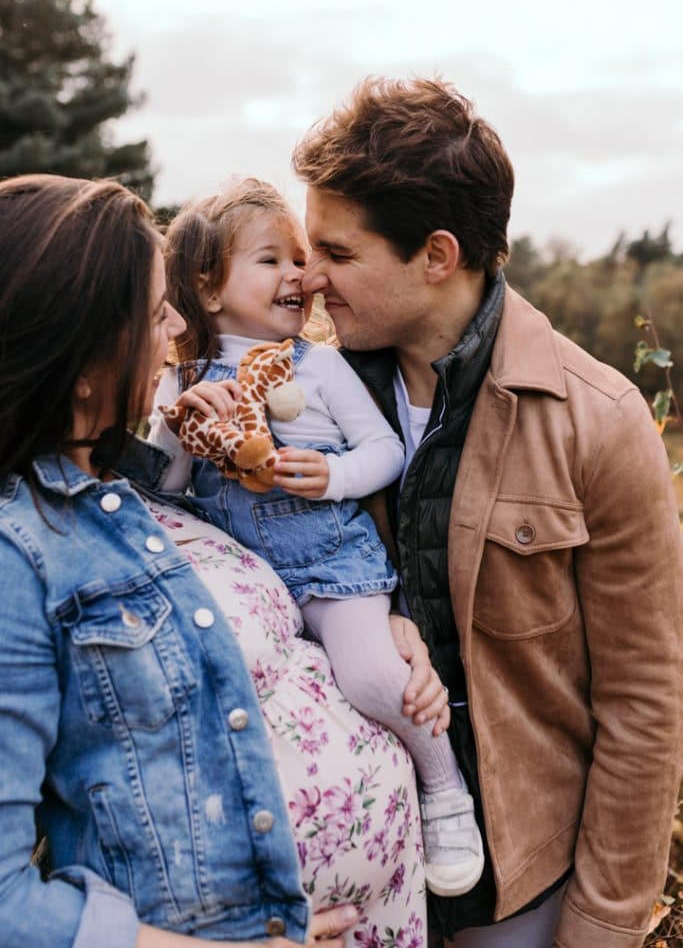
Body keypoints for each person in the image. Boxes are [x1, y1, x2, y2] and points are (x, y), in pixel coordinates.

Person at [0, 173, 447, 948]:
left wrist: (386, 622)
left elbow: (297, 564)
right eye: (151, 311)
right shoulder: (18, 556)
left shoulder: (139, 485)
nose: (175, 323)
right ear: (78, 360)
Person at [292, 77, 683, 948]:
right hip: (346, 885)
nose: (308, 278)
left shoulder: (600, 418)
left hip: (517, 900)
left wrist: (600, 928)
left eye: (338, 253)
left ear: (437, 255)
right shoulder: (299, 398)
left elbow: (644, 704)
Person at [147, 178, 484, 898]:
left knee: (373, 678)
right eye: (271, 260)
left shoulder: (319, 366)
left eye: (300, 259)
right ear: (207, 289)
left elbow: (384, 452)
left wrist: (329, 476)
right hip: (242, 575)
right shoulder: (180, 379)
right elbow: (164, 494)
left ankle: (443, 788)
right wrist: (174, 421)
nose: (298, 276)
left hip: (331, 566)